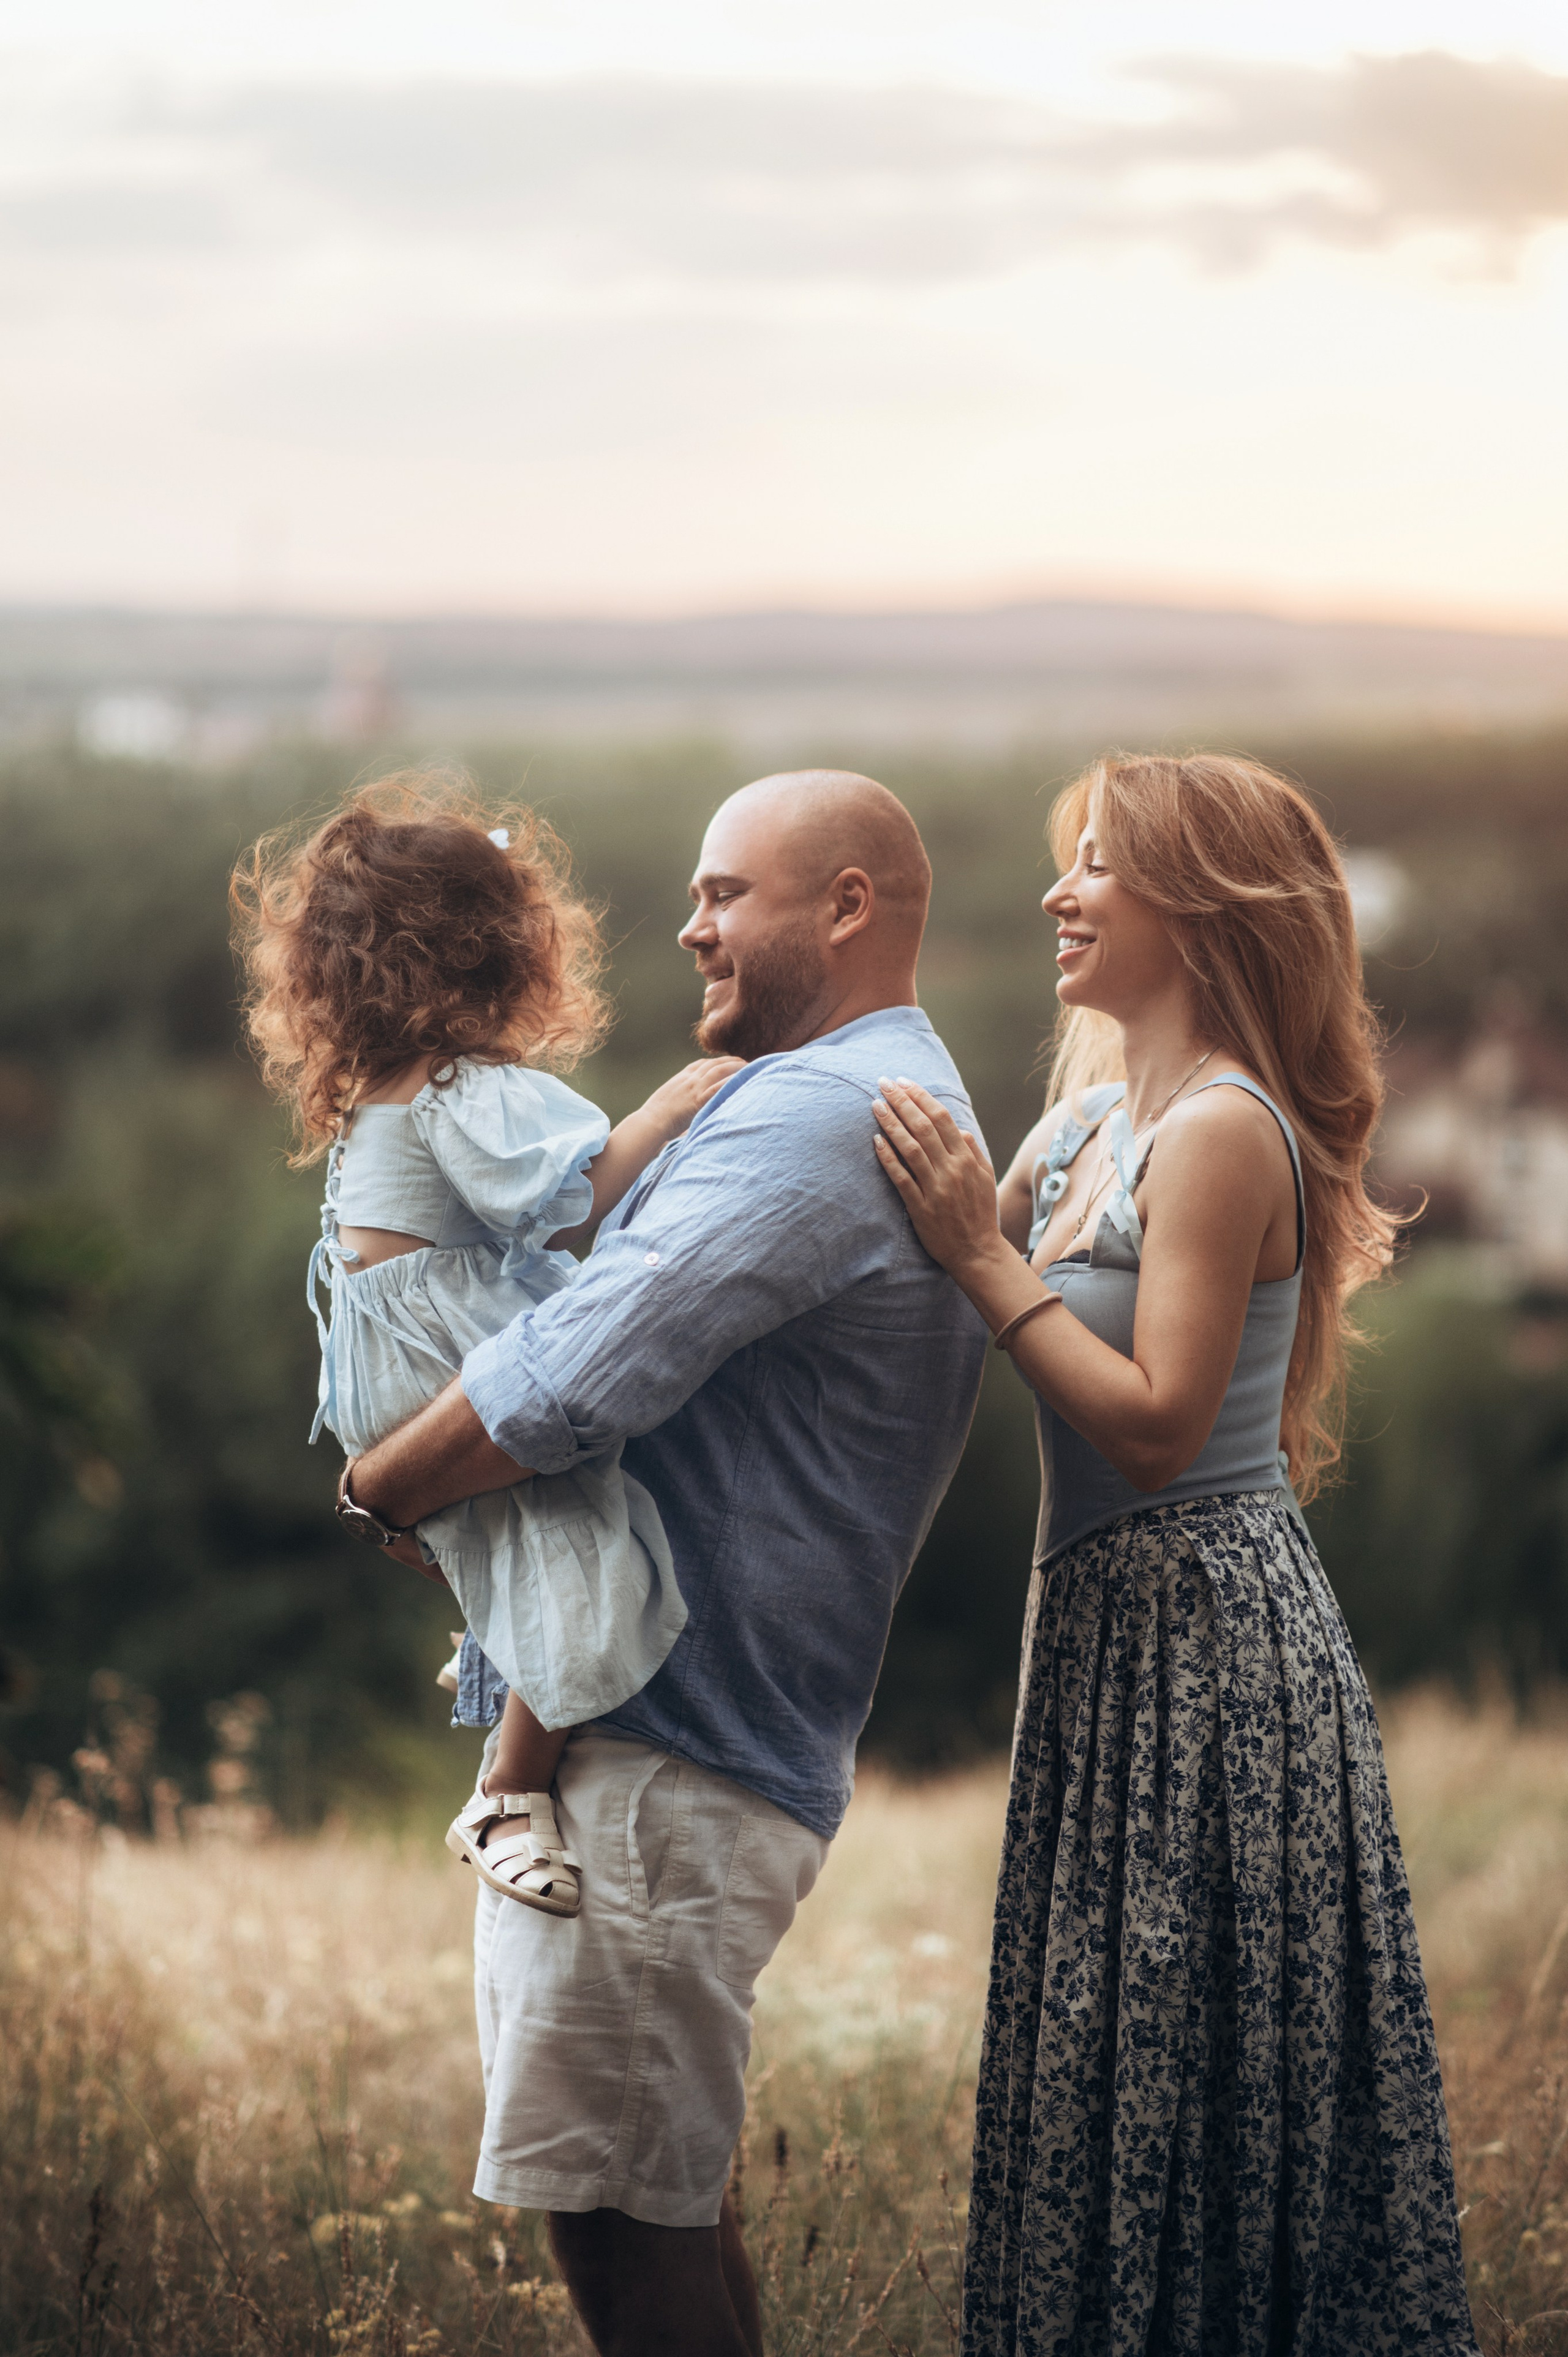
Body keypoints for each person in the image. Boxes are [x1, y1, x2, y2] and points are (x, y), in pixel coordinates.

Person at [344, 768, 988, 2357]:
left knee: (621, 2227)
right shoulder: (848, 1096)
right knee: (656, 2203)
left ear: (845, 905)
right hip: (671, 1754)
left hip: (666, 1756)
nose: (691, 927)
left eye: (725, 894)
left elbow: (574, 1372)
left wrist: (383, 1484)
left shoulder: (821, 1114)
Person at [872, 754, 1478, 2356]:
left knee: (1188, 2071)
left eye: (1097, 866)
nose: (1058, 894)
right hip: (1103, 1639)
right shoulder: (1084, 1126)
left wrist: (981, 1253)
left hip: (1212, 1654)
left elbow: (1152, 1426)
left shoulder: (1219, 1132)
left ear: (1199, 907)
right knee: (1110, 2056)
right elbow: (925, 1287)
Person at [232, 775, 740, 1914]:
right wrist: (666, 1114)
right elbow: (568, 1207)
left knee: (525, 1541)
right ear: (496, 954)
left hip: (384, 1371)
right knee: (590, 1558)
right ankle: (509, 1790)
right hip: (452, 1359)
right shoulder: (458, 1085)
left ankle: (497, 1646)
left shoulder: (378, 1085)